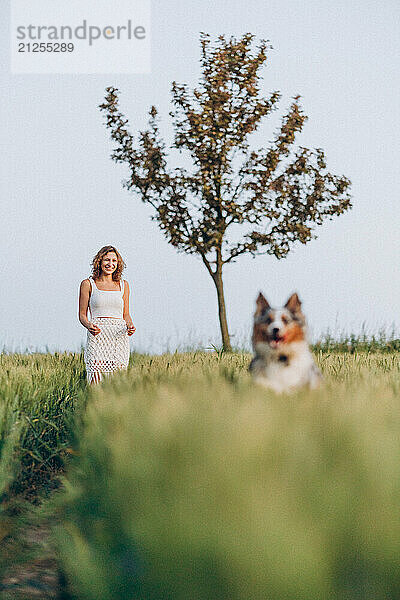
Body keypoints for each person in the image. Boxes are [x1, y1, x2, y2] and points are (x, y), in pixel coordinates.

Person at [79, 245, 135, 384]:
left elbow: (126, 314)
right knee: (95, 379)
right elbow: (82, 315)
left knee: (117, 382)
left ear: (118, 263)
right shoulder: (88, 284)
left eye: (114, 261)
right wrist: (89, 325)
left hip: (118, 337)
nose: (110, 264)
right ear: (99, 261)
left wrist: (130, 325)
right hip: (97, 336)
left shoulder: (124, 285)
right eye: (107, 260)